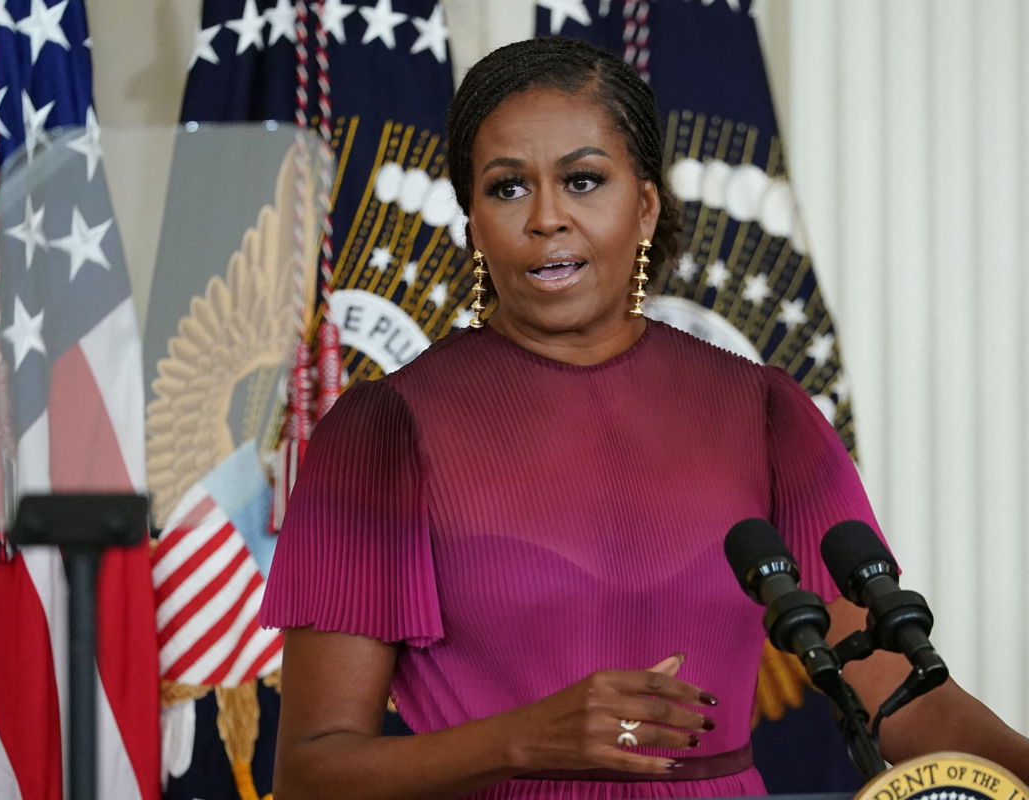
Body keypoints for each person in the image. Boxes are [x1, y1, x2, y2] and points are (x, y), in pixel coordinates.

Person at [258, 37, 1029, 800]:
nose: (548, 218)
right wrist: (522, 739)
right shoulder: (382, 431)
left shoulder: (764, 410)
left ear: (647, 205)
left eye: (584, 180)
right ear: (473, 226)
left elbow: (904, 699)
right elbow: (313, 772)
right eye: (507, 188)